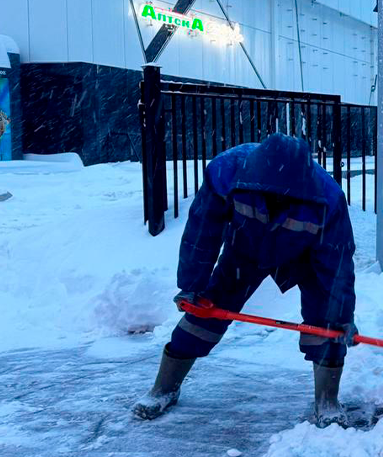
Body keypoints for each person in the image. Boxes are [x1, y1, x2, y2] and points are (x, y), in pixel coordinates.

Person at [132, 133, 357, 427]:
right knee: (206, 308)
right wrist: (191, 285)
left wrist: (340, 317)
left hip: (305, 254)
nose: (276, 202)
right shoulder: (226, 173)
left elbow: (337, 264)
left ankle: (327, 400)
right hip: (246, 248)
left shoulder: (328, 199)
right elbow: (203, 232)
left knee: (324, 322)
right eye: (268, 196)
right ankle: (164, 387)